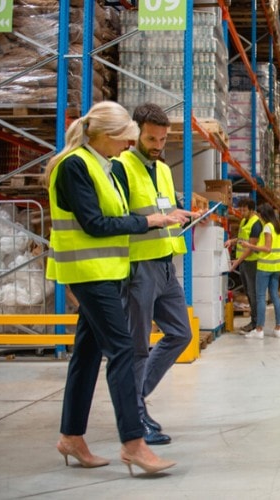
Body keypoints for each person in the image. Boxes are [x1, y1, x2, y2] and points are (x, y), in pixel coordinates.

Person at [45, 101, 182, 476]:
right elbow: (94, 223)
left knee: (87, 355)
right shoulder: (75, 166)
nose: (128, 146)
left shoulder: (100, 166)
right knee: (123, 351)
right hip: (88, 273)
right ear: (105, 136)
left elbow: (110, 217)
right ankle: (134, 444)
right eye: (125, 138)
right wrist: (148, 222)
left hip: (106, 271)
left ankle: (71, 437)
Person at [110, 103, 196, 446]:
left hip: (165, 263)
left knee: (180, 333)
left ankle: (135, 397)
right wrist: (158, 220)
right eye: (151, 138)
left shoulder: (162, 169)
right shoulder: (120, 167)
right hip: (138, 267)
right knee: (137, 346)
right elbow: (118, 219)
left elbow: (161, 207)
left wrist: (176, 213)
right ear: (136, 134)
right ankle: (135, 414)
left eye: (162, 138)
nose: (157, 144)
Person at [237, 203, 280, 339]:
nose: (258, 217)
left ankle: (259, 330)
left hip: (265, 267)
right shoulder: (278, 228)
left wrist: (249, 245)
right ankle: (278, 328)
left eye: (259, 214)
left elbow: (267, 248)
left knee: (260, 298)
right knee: (275, 296)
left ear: (263, 215)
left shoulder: (267, 228)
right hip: (277, 268)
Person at [224, 198, 262, 333]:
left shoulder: (256, 224)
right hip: (244, 262)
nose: (241, 212)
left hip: (252, 262)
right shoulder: (244, 221)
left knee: (252, 293)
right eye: (240, 209)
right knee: (248, 292)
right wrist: (232, 241)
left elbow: (250, 247)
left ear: (251, 210)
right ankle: (254, 322)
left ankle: (255, 323)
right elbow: (242, 239)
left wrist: (237, 262)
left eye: (244, 210)